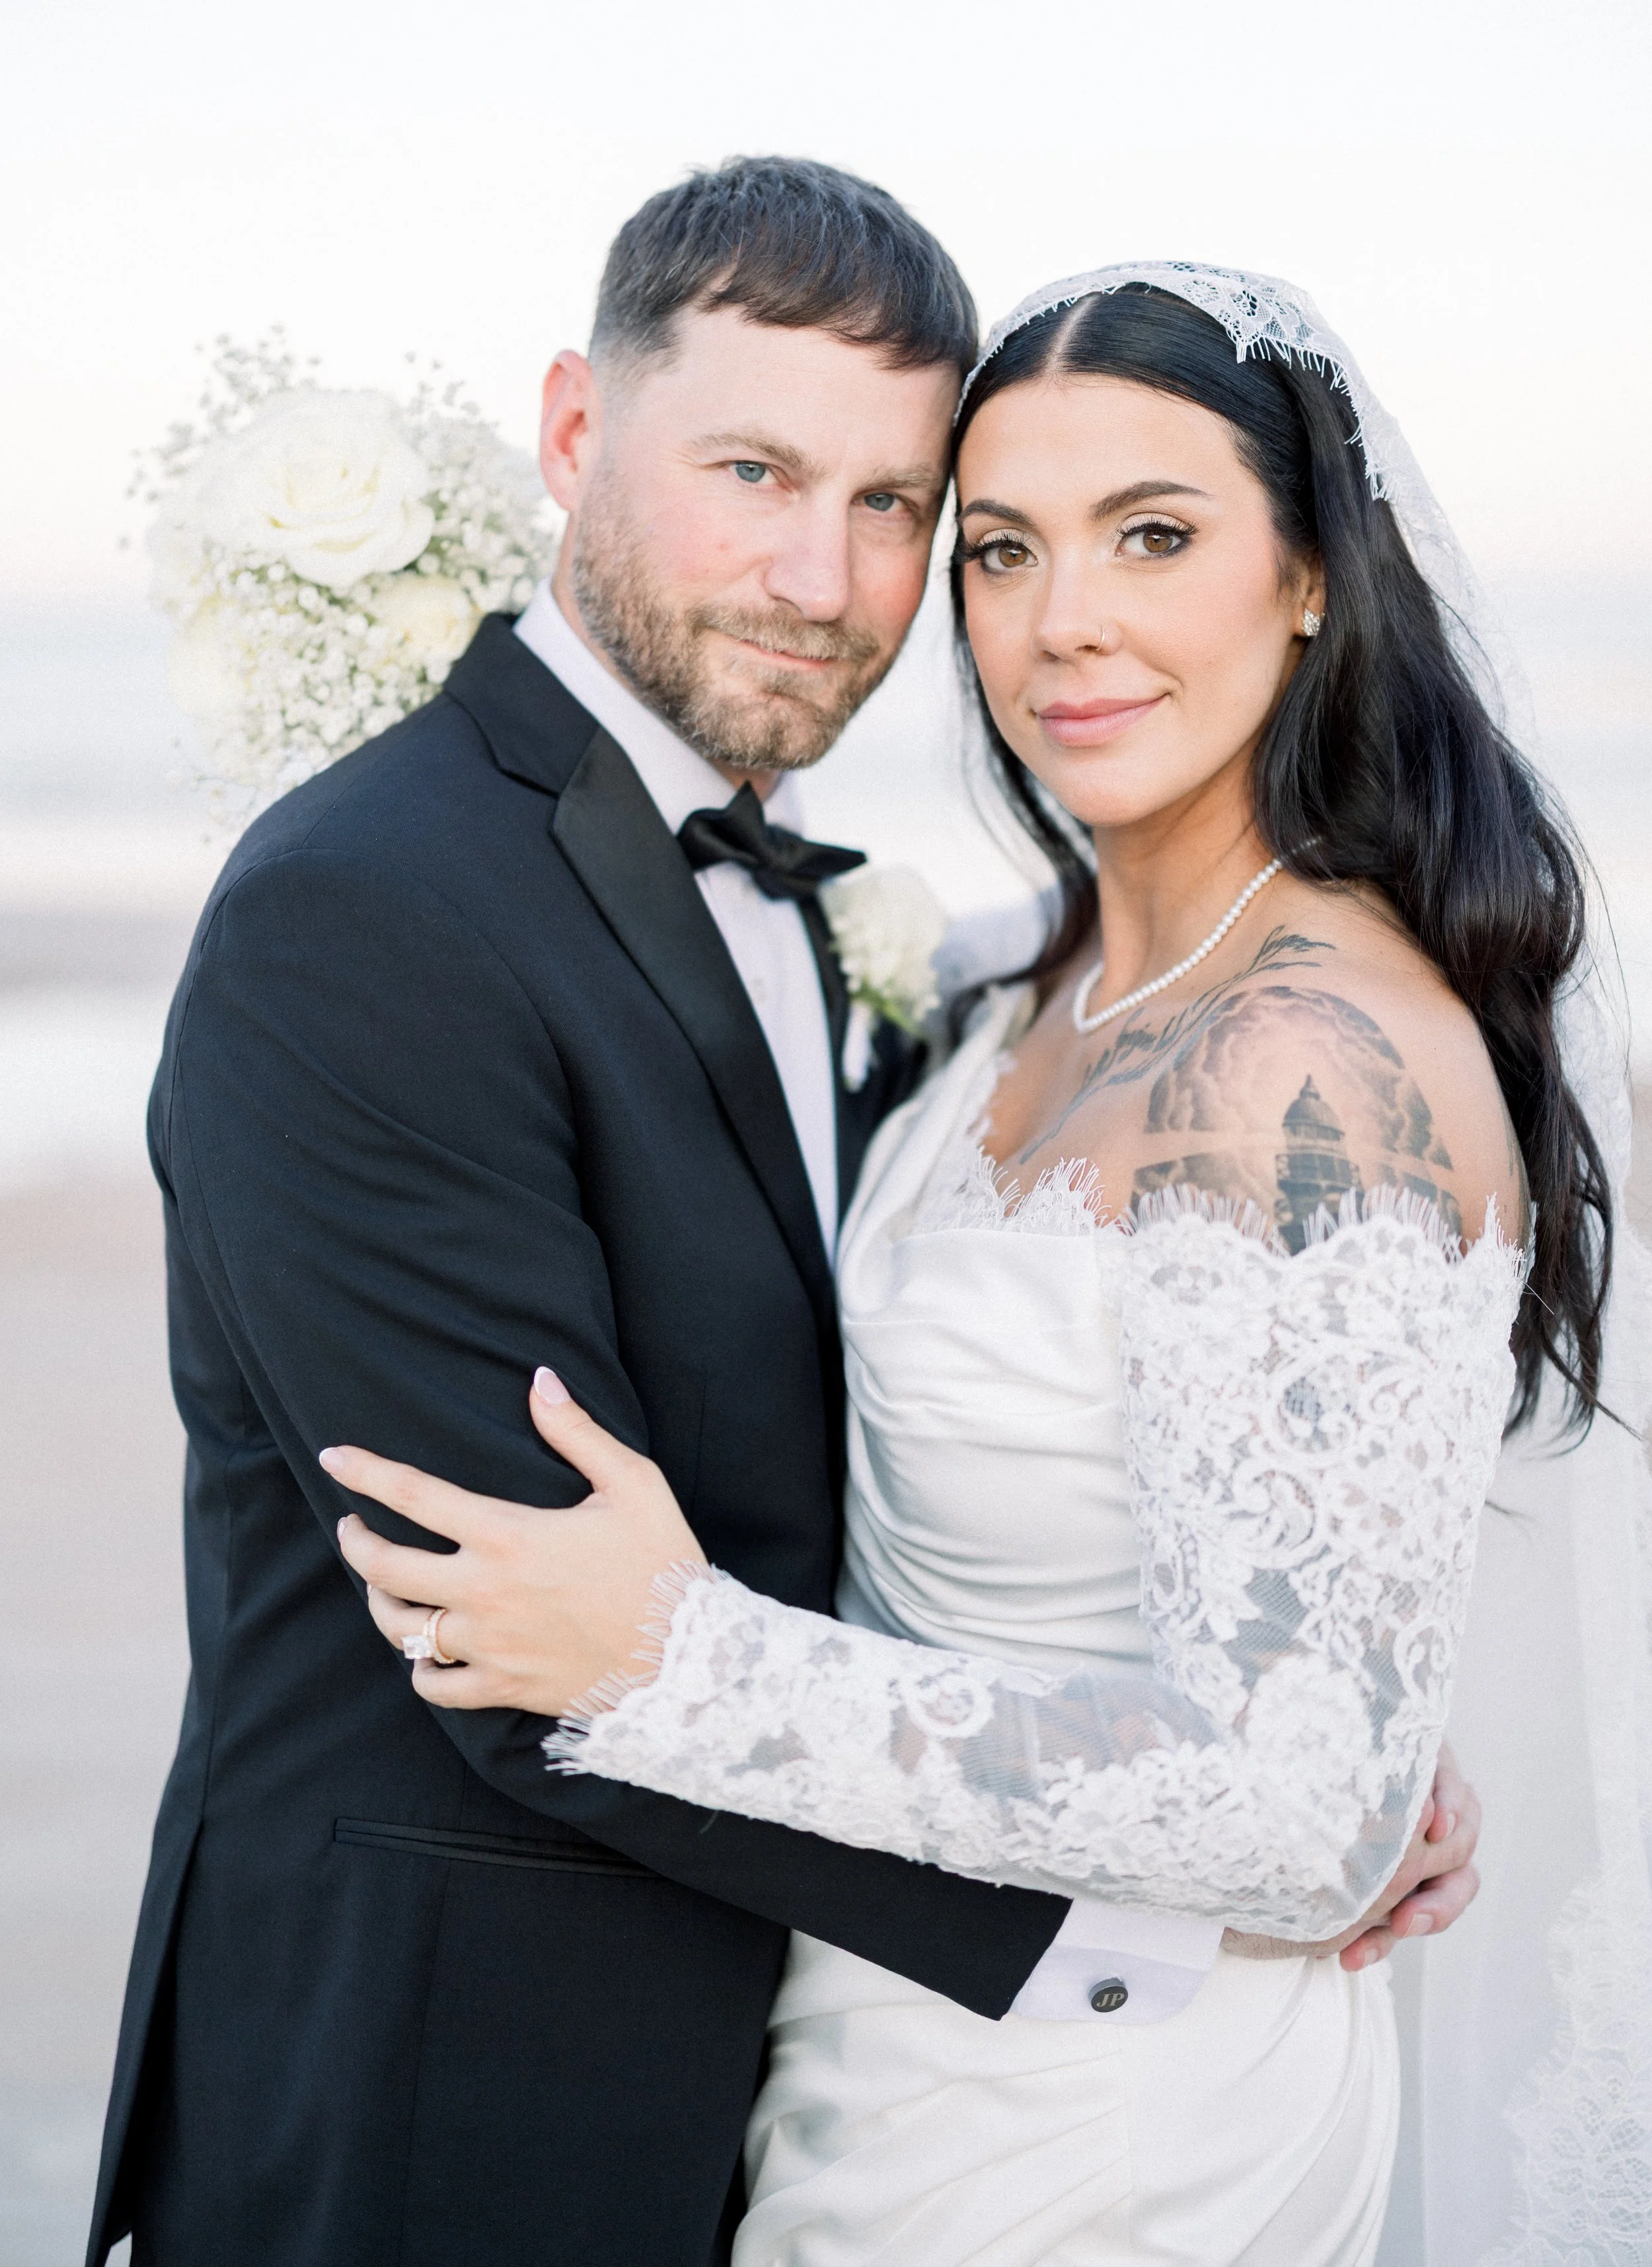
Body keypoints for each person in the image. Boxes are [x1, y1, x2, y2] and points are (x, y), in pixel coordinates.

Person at [93, 188, 1474, 2267]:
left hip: (946, 2084)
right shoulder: (364, 910)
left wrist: (1287, 1700)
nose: (827, 579)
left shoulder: (907, 941)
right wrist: (1185, 1868)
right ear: (573, 436)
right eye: (751, 472)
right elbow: (523, 1644)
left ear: (1309, 580)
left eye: (902, 508)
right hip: (444, 2091)